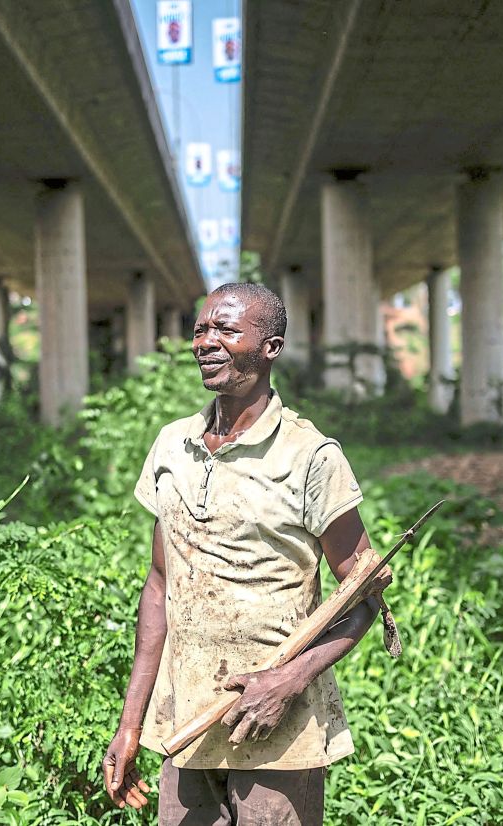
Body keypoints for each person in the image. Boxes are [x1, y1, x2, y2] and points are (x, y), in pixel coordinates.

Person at [102, 282, 383, 825]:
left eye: (227, 330)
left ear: (270, 347)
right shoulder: (171, 447)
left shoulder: (311, 456)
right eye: (201, 329)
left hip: (278, 731)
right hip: (186, 724)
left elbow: (365, 595)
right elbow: (160, 587)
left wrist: (289, 680)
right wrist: (132, 722)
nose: (207, 341)